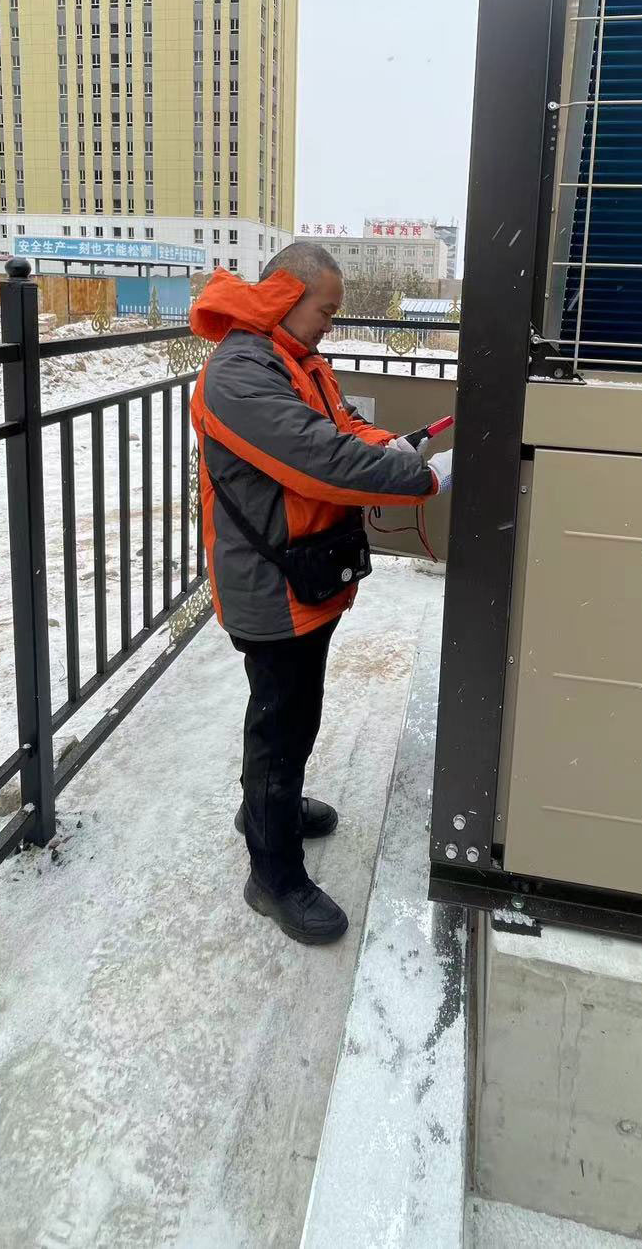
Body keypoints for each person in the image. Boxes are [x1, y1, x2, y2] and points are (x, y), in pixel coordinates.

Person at [189, 242, 453, 944]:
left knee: (294, 713)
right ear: (285, 296)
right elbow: (320, 460)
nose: (331, 326)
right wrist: (424, 478)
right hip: (269, 584)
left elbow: (341, 430)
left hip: (302, 575)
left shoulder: (295, 359)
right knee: (280, 724)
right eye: (326, 311)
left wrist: (390, 447)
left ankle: (266, 809)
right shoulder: (239, 373)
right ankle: (273, 875)